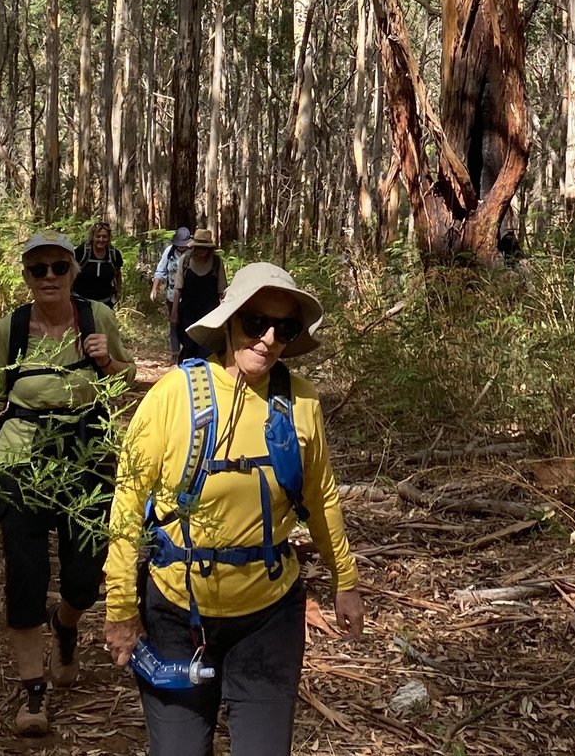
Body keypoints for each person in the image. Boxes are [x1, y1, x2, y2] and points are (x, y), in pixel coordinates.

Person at [103, 262, 365, 756]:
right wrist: (120, 608)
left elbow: (321, 496)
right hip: (176, 613)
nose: (267, 339)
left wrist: (345, 582)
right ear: (229, 321)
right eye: (255, 322)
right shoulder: (172, 397)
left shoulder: (300, 401)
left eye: (283, 328)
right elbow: (127, 505)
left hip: (269, 614)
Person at [0, 229, 136, 738]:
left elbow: (126, 381)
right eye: (37, 269)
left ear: (73, 272)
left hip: (86, 456)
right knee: (25, 572)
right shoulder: (10, 329)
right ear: (25, 276)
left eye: (57, 268)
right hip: (19, 460)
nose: (48, 278)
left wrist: (107, 359)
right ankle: (33, 693)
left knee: (86, 574)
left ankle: (66, 622)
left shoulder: (96, 317)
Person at [167, 228, 225, 363]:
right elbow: (178, 288)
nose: (200, 251)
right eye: (198, 248)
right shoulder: (185, 261)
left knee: (206, 349)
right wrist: (174, 313)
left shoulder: (216, 262)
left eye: (204, 249)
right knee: (189, 346)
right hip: (188, 312)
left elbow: (221, 290)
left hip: (210, 313)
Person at [76, 221, 125, 307]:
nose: (101, 240)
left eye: (104, 237)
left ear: (109, 238)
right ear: (93, 237)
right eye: (98, 236)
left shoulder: (114, 254)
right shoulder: (82, 251)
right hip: (82, 303)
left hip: (106, 303)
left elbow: (118, 274)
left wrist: (118, 292)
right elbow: (70, 272)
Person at [153, 227, 192, 303]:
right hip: (172, 296)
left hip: (190, 297)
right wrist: (154, 289)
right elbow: (160, 271)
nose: (181, 246)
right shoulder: (169, 251)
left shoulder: (193, 252)